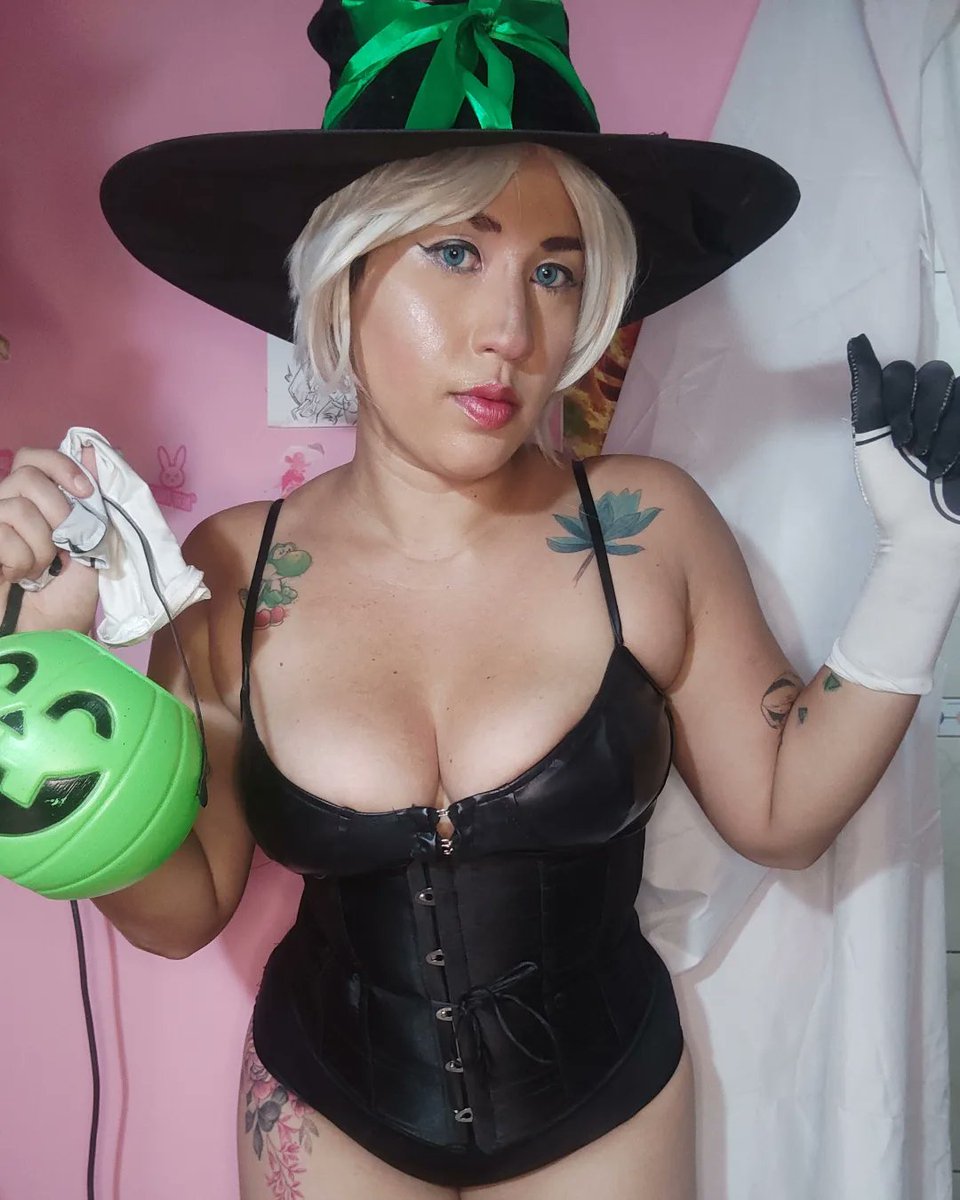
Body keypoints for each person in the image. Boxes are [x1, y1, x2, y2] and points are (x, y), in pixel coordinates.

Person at [2, 3, 959, 1197]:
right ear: (346, 271)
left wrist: (925, 566)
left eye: (554, 272)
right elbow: (183, 907)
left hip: (604, 1115)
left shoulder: (649, 530)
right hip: (328, 1112)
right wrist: (40, 694)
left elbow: (781, 813)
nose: (512, 331)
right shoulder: (234, 566)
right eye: (456, 252)